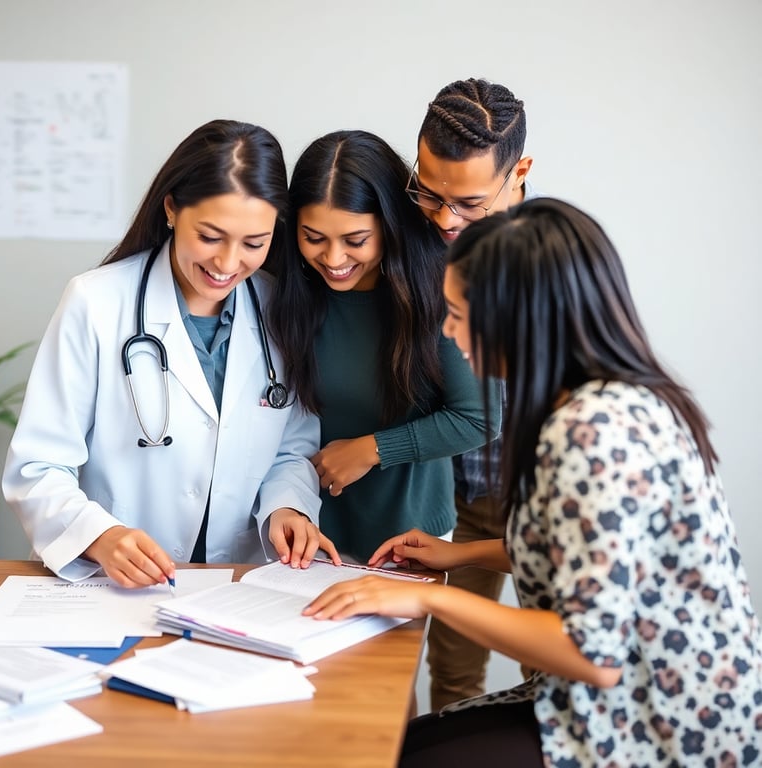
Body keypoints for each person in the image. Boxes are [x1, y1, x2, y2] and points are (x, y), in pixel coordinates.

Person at [304, 198, 762, 767]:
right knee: (413, 740)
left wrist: (423, 597)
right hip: (619, 697)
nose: (447, 330)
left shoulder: (595, 431)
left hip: (660, 723)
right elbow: (584, 558)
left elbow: (592, 652)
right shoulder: (606, 400)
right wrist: (458, 555)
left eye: (456, 312)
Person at [3, 119, 340, 588]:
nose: (227, 263)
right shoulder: (96, 302)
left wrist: (287, 506)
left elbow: (291, 449)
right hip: (116, 582)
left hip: (239, 584)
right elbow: (39, 466)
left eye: (254, 243)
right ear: (171, 209)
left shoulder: (280, 308)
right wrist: (100, 536)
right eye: (210, 236)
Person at [266, 129, 496, 565]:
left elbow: (480, 417)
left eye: (355, 241)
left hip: (406, 533)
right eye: (314, 238)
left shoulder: (443, 286)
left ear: (389, 226)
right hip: (299, 523)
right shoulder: (282, 286)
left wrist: (370, 450)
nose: (333, 259)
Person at [408, 77, 535, 709]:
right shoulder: (415, 240)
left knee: (531, 675)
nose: (444, 218)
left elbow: (592, 645)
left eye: (469, 203)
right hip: (445, 491)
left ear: (520, 173)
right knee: (443, 675)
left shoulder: (556, 259)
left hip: (531, 493)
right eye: (429, 192)